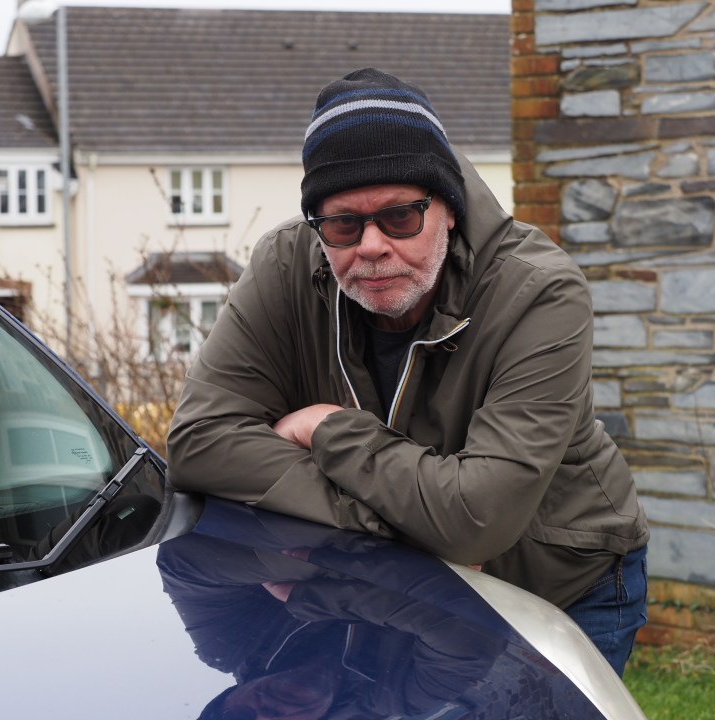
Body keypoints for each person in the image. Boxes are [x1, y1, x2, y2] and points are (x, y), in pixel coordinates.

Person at [167, 67, 649, 675]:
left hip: (555, 582)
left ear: (447, 207)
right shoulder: (285, 264)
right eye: (343, 223)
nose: (370, 245)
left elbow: (477, 520)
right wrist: (405, 531)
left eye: (400, 217)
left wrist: (325, 429)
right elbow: (198, 442)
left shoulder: (538, 290)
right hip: (396, 585)